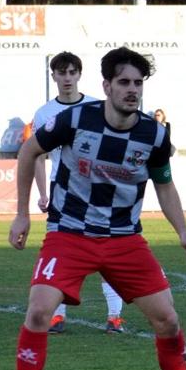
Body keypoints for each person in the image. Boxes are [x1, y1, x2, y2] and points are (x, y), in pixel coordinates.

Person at [0, 47, 186, 370]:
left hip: (124, 240)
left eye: (138, 84)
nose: (132, 90)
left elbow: (164, 184)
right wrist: (23, 213)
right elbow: (29, 150)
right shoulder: (76, 118)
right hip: (69, 234)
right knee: (39, 312)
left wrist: (183, 233)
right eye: (124, 82)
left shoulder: (154, 134)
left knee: (167, 319)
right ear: (107, 86)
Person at [31, 53, 128, 335]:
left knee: (108, 252)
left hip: (97, 192)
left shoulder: (97, 107)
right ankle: (57, 317)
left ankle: (114, 317)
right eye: (62, 73)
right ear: (54, 77)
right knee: (60, 254)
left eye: (72, 72)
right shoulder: (44, 113)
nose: (67, 78)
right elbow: (37, 155)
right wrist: (41, 193)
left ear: (79, 75)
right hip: (61, 193)